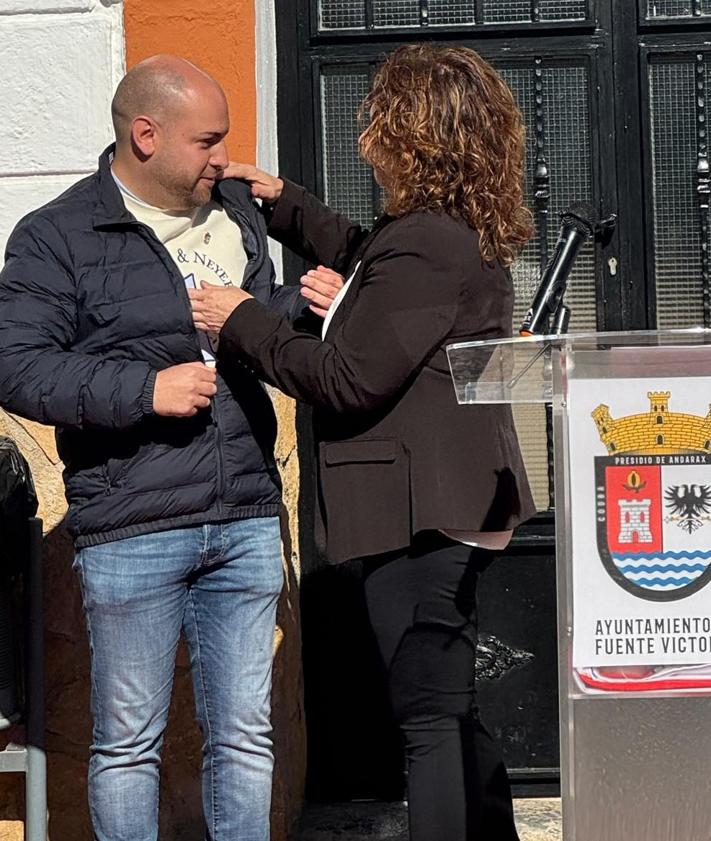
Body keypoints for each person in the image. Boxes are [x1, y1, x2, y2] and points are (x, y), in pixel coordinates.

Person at [189, 43, 537, 841]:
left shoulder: (425, 240)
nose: (363, 137)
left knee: (427, 722)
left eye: (377, 120)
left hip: (419, 509)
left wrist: (237, 318)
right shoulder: (443, 231)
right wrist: (287, 204)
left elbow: (347, 378)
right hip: (449, 497)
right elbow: (373, 267)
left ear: (414, 133)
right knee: (449, 707)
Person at [0, 56, 340, 841]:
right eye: (208, 141)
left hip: (246, 511)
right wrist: (141, 392)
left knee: (246, 738)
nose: (224, 159)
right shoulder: (59, 234)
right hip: (132, 521)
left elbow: (242, 334)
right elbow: (17, 365)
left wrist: (297, 307)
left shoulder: (233, 215)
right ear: (145, 135)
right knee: (126, 744)